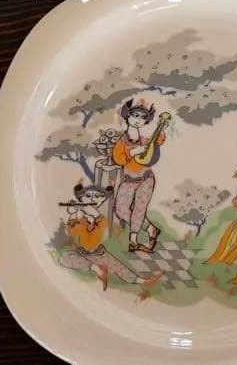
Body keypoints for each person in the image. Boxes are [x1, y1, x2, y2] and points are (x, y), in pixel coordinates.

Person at [57, 182, 161, 291]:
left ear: (103, 199)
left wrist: (93, 213)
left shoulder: (99, 217)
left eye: (97, 196)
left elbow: (104, 223)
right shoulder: (79, 217)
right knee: (63, 257)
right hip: (82, 253)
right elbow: (71, 231)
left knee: (119, 267)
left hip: (99, 252)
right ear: (81, 199)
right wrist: (74, 215)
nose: (92, 199)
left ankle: (142, 281)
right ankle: (97, 269)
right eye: (87, 196)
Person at [111, 99, 170, 253]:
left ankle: (133, 240)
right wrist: (132, 152)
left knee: (139, 208)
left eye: (143, 117)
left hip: (146, 179)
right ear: (127, 116)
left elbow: (158, 141)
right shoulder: (122, 141)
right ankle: (150, 228)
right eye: (135, 115)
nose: (138, 120)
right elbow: (118, 158)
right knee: (121, 210)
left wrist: (161, 128)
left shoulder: (144, 140)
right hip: (129, 180)